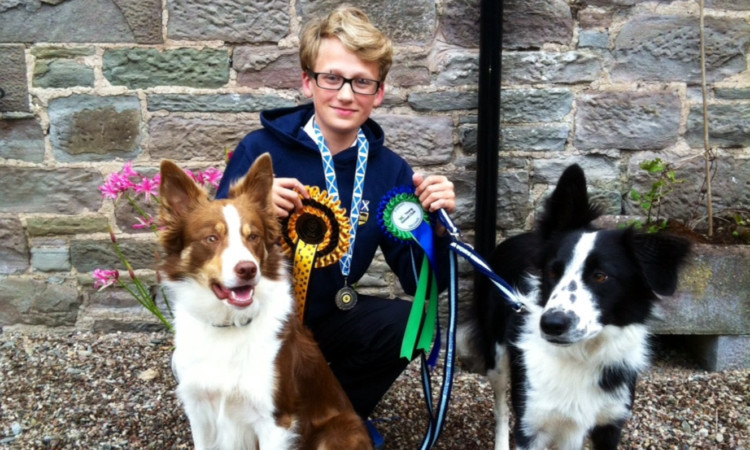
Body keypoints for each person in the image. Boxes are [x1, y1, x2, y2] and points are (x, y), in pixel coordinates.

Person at [216, 5, 457, 446]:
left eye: (362, 81)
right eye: (333, 77)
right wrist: (250, 207)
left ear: (379, 92)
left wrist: (436, 231)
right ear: (308, 81)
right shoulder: (261, 150)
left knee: (409, 322)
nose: (346, 94)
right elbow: (210, 246)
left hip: (329, 321)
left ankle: (330, 417)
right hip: (252, 324)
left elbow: (415, 279)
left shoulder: (390, 171)